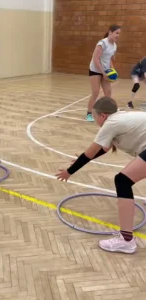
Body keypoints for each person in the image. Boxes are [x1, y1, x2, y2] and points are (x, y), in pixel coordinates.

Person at [55, 96, 146, 254]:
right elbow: (102, 149)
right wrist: (82, 159)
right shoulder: (120, 118)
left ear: (102, 115)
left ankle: (126, 240)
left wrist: (68, 172)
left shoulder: (111, 123)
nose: (96, 120)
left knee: (122, 181)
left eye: (95, 116)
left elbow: (89, 153)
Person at [86, 24, 121, 122]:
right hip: (95, 70)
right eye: (116, 33)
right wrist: (103, 73)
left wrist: (112, 70)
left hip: (105, 71)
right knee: (95, 92)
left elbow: (109, 59)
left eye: (119, 34)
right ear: (110, 32)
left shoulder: (114, 46)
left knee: (108, 92)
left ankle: (108, 112)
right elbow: (96, 59)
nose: (118, 35)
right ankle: (89, 114)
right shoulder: (102, 43)